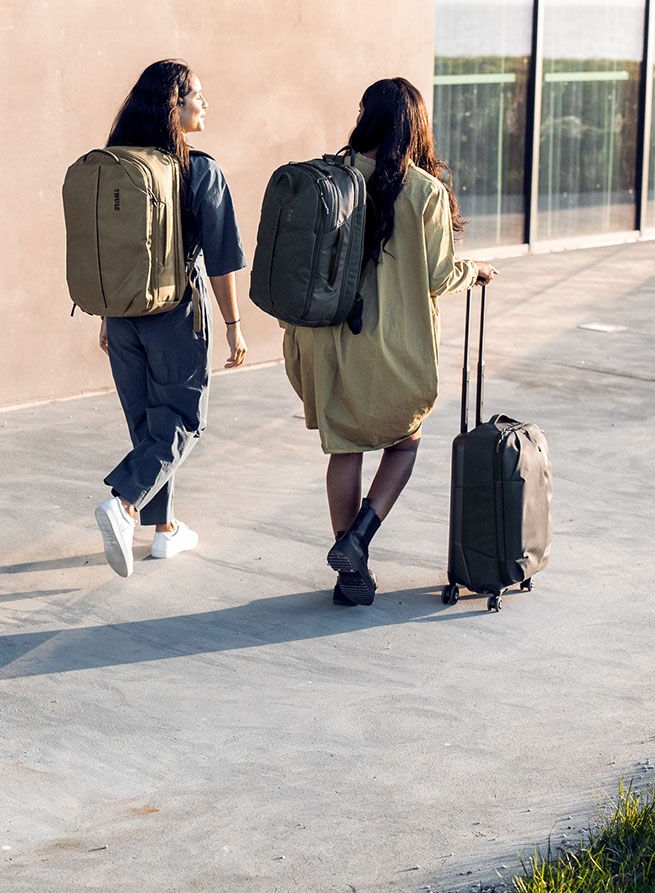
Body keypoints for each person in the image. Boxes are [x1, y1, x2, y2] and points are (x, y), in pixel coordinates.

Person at [283, 77, 496, 607]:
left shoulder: (331, 176)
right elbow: (440, 275)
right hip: (390, 343)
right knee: (405, 441)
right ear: (415, 125)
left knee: (345, 444)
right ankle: (358, 539)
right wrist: (479, 271)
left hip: (325, 340)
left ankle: (348, 569)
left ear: (366, 117)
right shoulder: (423, 191)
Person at [94, 60, 247, 577]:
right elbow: (222, 258)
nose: (205, 104)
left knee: (147, 424)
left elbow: (111, 251)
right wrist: (232, 325)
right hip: (175, 312)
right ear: (173, 106)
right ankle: (126, 504)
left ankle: (165, 531)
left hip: (121, 313)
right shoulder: (199, 170)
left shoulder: (116, 164)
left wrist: (106, 316)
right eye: (197, 96)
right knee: (182, 418)